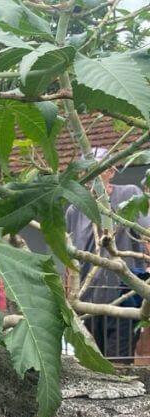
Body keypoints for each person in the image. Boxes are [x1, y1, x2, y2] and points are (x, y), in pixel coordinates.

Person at [66, 147, 150, 362]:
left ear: (111, 171)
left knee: (118, 361)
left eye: (97, 168)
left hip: (123, 294)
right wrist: (69, 295)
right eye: (85, 170)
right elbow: (70, 258)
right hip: (87, 299)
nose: (90, 174)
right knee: (92, 361)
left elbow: (147, 234)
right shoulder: (74, 210)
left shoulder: (129, 194)